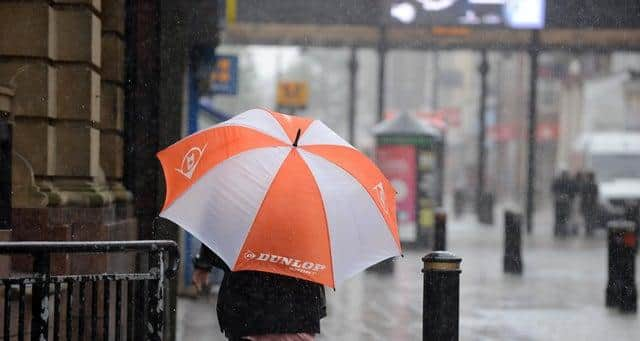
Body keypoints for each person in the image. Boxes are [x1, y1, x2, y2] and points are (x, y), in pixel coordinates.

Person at [192, 245, 327, 341]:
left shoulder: (245, 207)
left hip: (249, 308)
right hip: (299, 312)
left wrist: (204, 263)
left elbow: (220, 230)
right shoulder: (313, 209)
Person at [580, 172, 599, 236]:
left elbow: (582, 195)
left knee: (587, 217)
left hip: (586, 204)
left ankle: (588, 230)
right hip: (592, 204)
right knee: (591, 217)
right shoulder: (594, 185)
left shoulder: (585, 185)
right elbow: (596, 195)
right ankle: (590, 230)